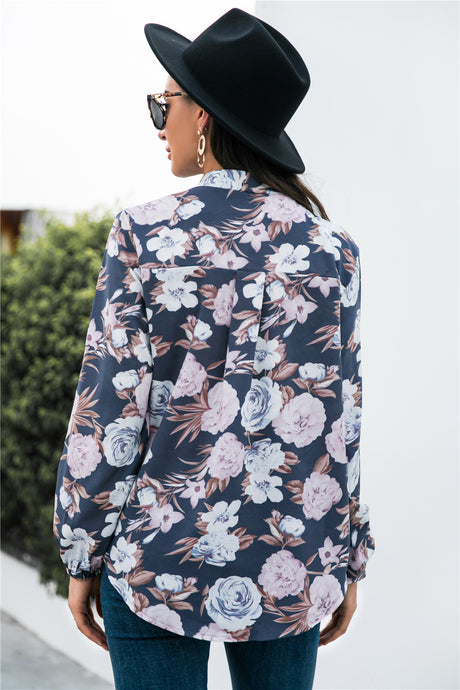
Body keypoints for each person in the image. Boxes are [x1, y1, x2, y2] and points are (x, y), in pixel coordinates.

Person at [53, 8, 375, 690]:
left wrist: (81, 549)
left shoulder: (143, 235)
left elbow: (110, 413)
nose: (158, 122)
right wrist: (348, 556)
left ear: (201, 116)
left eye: (162, 104)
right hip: (292, 564)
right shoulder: (333, 251)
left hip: (157, 562)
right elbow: (340, 423)